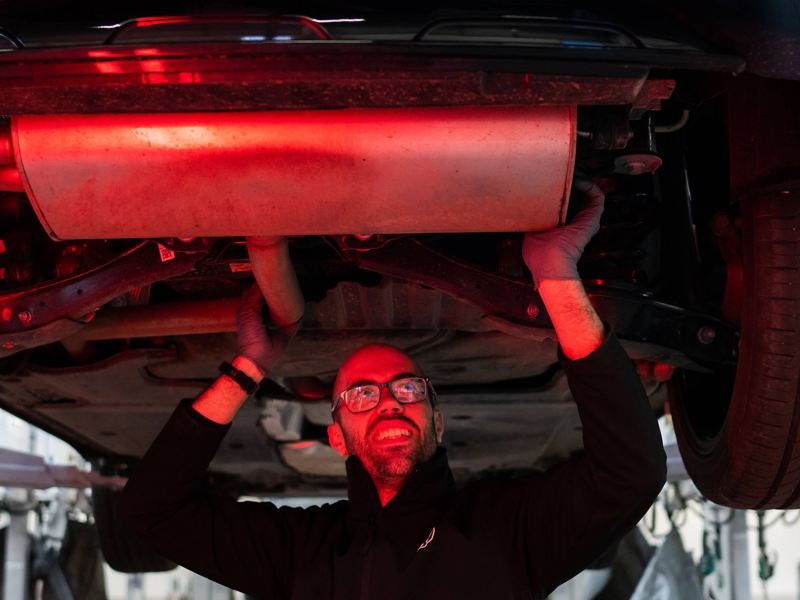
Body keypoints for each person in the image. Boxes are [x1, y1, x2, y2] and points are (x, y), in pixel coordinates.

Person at [118, 181, 667, 600]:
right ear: (337, 436)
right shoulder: (304, 550)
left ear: (437, 420)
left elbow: (629, 477)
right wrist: (247, 367)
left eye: (406, 388)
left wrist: (553, 271)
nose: (388, 400)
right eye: (362, 394)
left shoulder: (507, 531)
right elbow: (153, 514)